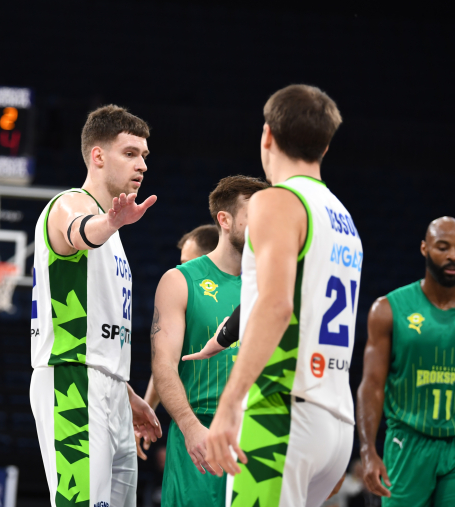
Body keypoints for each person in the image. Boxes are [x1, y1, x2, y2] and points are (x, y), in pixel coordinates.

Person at [186, 84, 360, 506]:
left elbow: (276, 304)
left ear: (267, 135)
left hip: (281, 412)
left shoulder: (277, 201)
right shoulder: (342, 217)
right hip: (335, 421)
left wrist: (230, 402)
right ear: (326, 144)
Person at [30, 104, 162, 507]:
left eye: (144, 156)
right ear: (98, 156)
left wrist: (126, 391)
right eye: (130, 153)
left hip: (110, 388)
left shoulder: (114, 235)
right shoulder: (68, 204)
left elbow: (101, 331)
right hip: (72, 383)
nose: (142, 165)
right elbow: (79, 231)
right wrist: (108, 223)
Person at [356, 217, 455, 507]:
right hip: (408, 445)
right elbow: (372, 386)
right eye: (443, 247)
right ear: (424, 248)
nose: (453, 256)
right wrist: (368, 451)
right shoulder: (388, 309)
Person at [152, 176, 269, 506]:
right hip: (201, 432)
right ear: (224, 220)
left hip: (259, 433)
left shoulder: (272, 283)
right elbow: (163, 365)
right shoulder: (180, 280)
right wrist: (189, 427)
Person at [137, 223, 220, 459]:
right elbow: (165, 364)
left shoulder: (246, 291)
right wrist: (146, 412)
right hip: (194, 422)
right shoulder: (183, 297)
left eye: (188, 263)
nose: (182, 271)